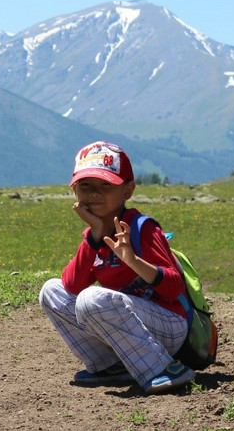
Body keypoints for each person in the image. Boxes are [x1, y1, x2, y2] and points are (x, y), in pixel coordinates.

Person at [39, 141, 195, 394]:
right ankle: (110, 366)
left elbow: (174, 287)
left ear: (128, 190)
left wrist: (132, 260)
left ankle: (163, 369)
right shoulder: (96, 235)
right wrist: (95, 235)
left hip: (169, 326)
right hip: (132, 326)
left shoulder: (142, 228)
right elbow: (71, 285)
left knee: (91, 299)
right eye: (85, 185)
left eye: (105, 185)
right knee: (51, 290)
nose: (94, 193)